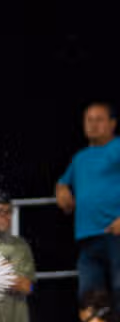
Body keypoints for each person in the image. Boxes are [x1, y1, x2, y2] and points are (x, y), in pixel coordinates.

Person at [56, 101, 120, 308]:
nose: (93, 124)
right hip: (87, 237)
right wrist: (62, 190)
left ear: (112, 124)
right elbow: (63, 182)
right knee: (89, 295)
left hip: (116, 234)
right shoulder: (80, 158)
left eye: (99, 119)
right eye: (89, 120)